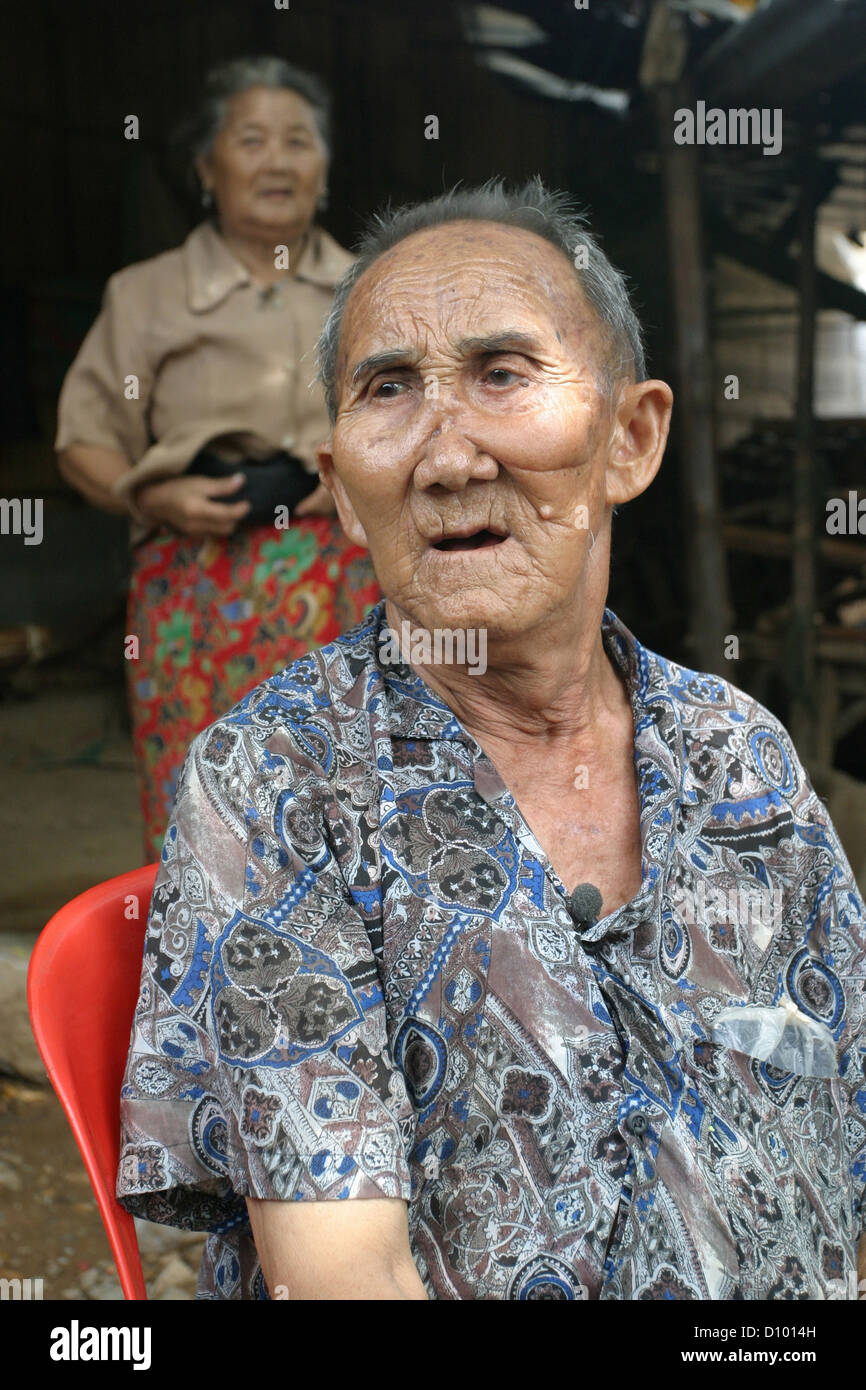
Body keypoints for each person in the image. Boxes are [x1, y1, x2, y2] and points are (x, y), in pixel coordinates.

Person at [117, 180, 866, 1301]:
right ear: (339, 489)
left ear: (630, 437)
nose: (446, 455)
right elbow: (347, 1280)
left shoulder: (733, 748)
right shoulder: (277, 782)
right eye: (387, 389)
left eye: (500, 374)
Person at [55, 56, 378, 858]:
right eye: (252, 140)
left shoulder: (371, 289)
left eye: (298, 141)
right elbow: (83, 439)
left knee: (351, 807)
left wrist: (355, 470)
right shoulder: (147, 295)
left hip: (346, 583)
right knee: (205, 812)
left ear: (325, 167)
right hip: (196, 595)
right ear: (207, 166)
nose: (277, 161)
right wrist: (149, 501)